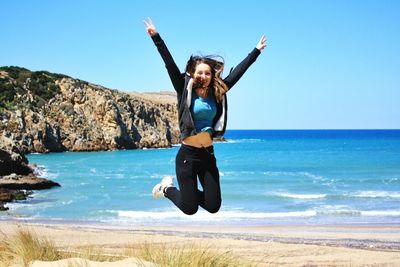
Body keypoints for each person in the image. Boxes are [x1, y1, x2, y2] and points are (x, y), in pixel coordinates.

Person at [144, 18, 266, 215]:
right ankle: (166, 189)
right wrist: (156, 38)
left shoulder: (218, 92)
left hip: (208, 155)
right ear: (193, 73)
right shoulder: (184, 90)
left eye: (207, 73)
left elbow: (239, 74)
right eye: (199, 72)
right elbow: (169, 64)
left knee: (213, 206)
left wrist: (256, 51)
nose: (203, 76)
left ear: (211, 76)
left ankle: (179, 191)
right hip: (188, 156)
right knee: (190, 208)